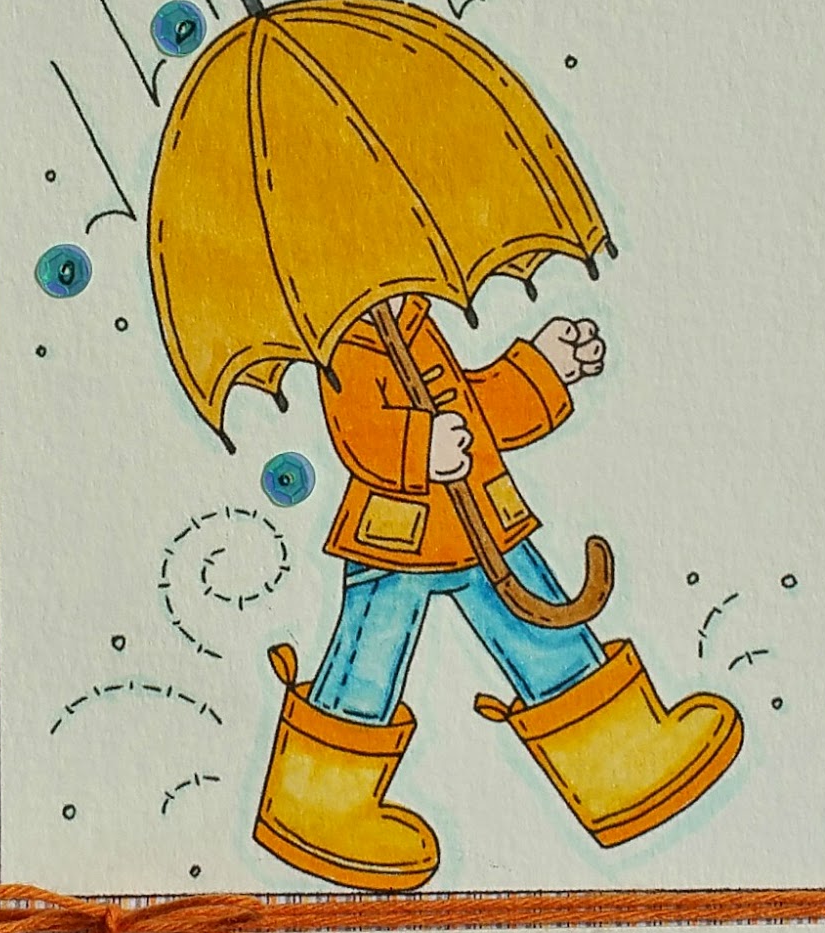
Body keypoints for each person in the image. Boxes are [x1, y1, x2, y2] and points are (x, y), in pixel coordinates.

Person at [253, 294, 742, 890]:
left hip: (482, 521)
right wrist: (420, 447)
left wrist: (540, 368)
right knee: (365, 667)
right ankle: (315, 808)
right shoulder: (348, 344)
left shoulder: (413, 325)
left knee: (541, 631)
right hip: (397, 536)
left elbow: (473, 407)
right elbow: (359, 431)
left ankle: (621, 765)